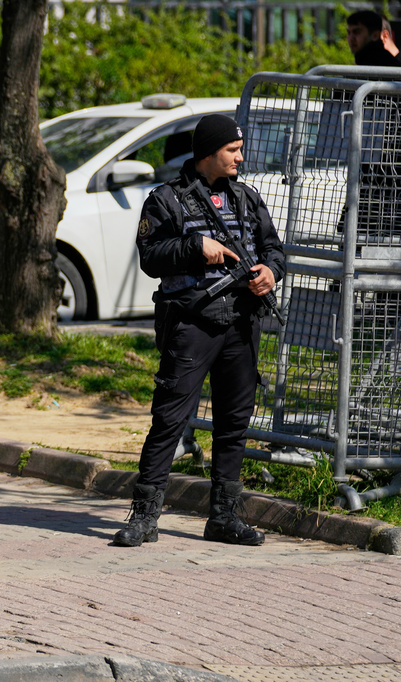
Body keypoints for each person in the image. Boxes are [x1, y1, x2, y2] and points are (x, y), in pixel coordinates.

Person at [113, 114, 285, 548]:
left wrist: (270, 272)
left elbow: (273, 248)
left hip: (241, 324)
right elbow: (150, 256)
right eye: (232, 150)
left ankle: (224, 518)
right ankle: (144, 516)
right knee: (168, 420)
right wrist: (195, 247)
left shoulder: (247, 198)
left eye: (240, 150)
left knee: (233, 425)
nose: (241, 158)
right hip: (192, 324)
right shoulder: (166, 200)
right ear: (209, 152)